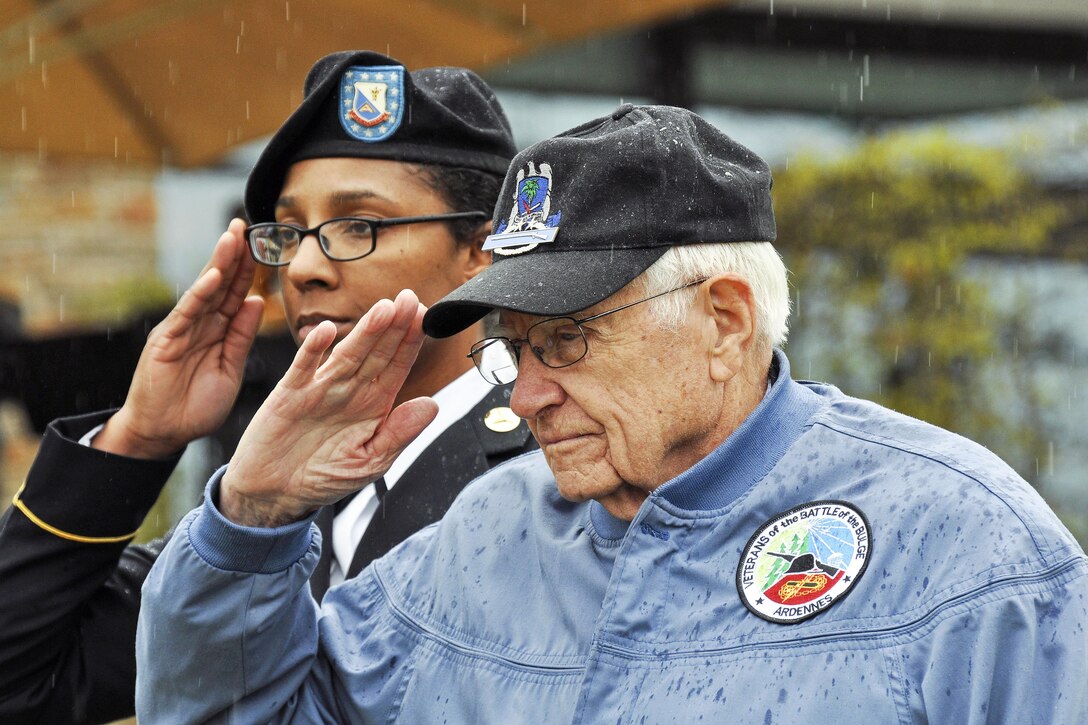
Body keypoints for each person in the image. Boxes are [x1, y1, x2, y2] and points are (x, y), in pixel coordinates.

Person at [136, 104, 1087, 723]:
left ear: (724, 320)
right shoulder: (484, 539)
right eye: (515, 344)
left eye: (570, 339)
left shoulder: (962, 547)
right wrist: (249, 520)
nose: (529, 389)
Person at [0, 50, 536, 724]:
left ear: (481, 255)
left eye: (357, 226)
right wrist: (138, 438)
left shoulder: (552, 470)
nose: (305, 266)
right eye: (291, 231)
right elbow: (19, 677)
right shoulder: (266, 501)